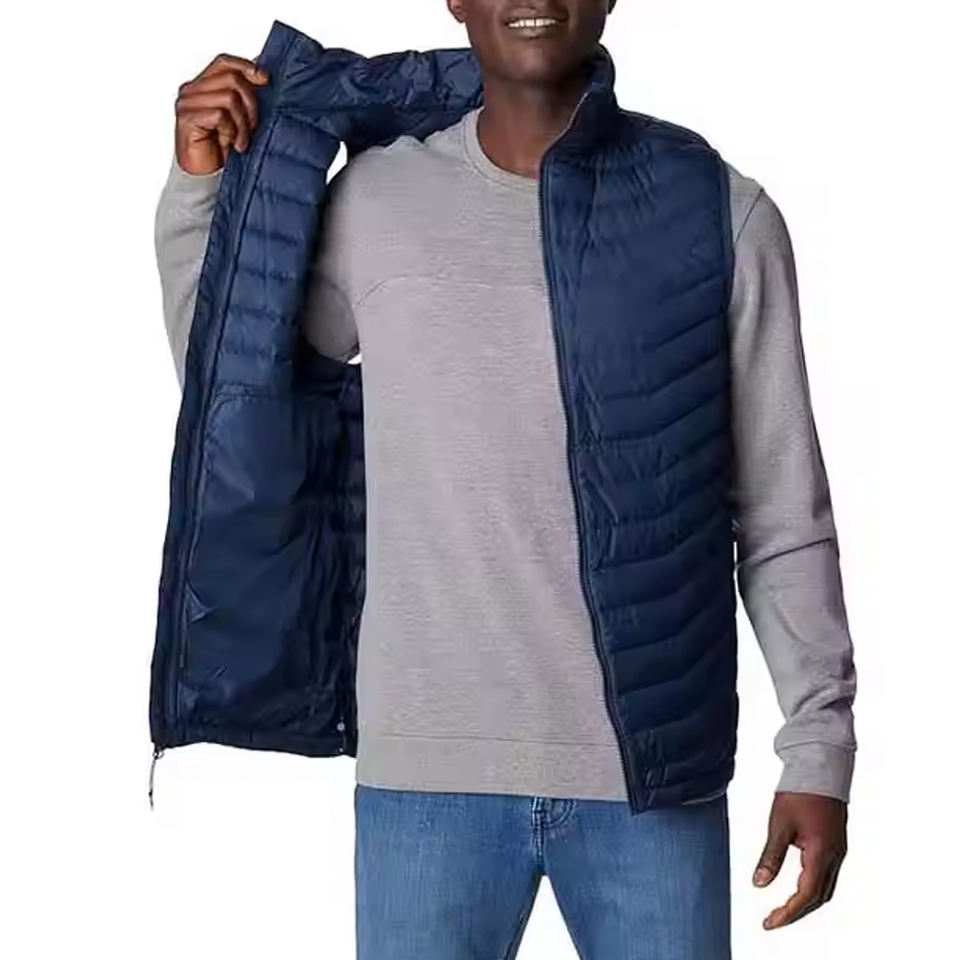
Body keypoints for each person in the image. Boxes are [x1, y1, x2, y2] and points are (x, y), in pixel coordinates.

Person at [153, 2, 857, 956]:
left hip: (650, 777)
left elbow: (780, 512)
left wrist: (819, 749)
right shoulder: (378, 202)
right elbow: (240, 395)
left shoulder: (719, 211)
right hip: (425, 775)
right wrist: (199, 191)